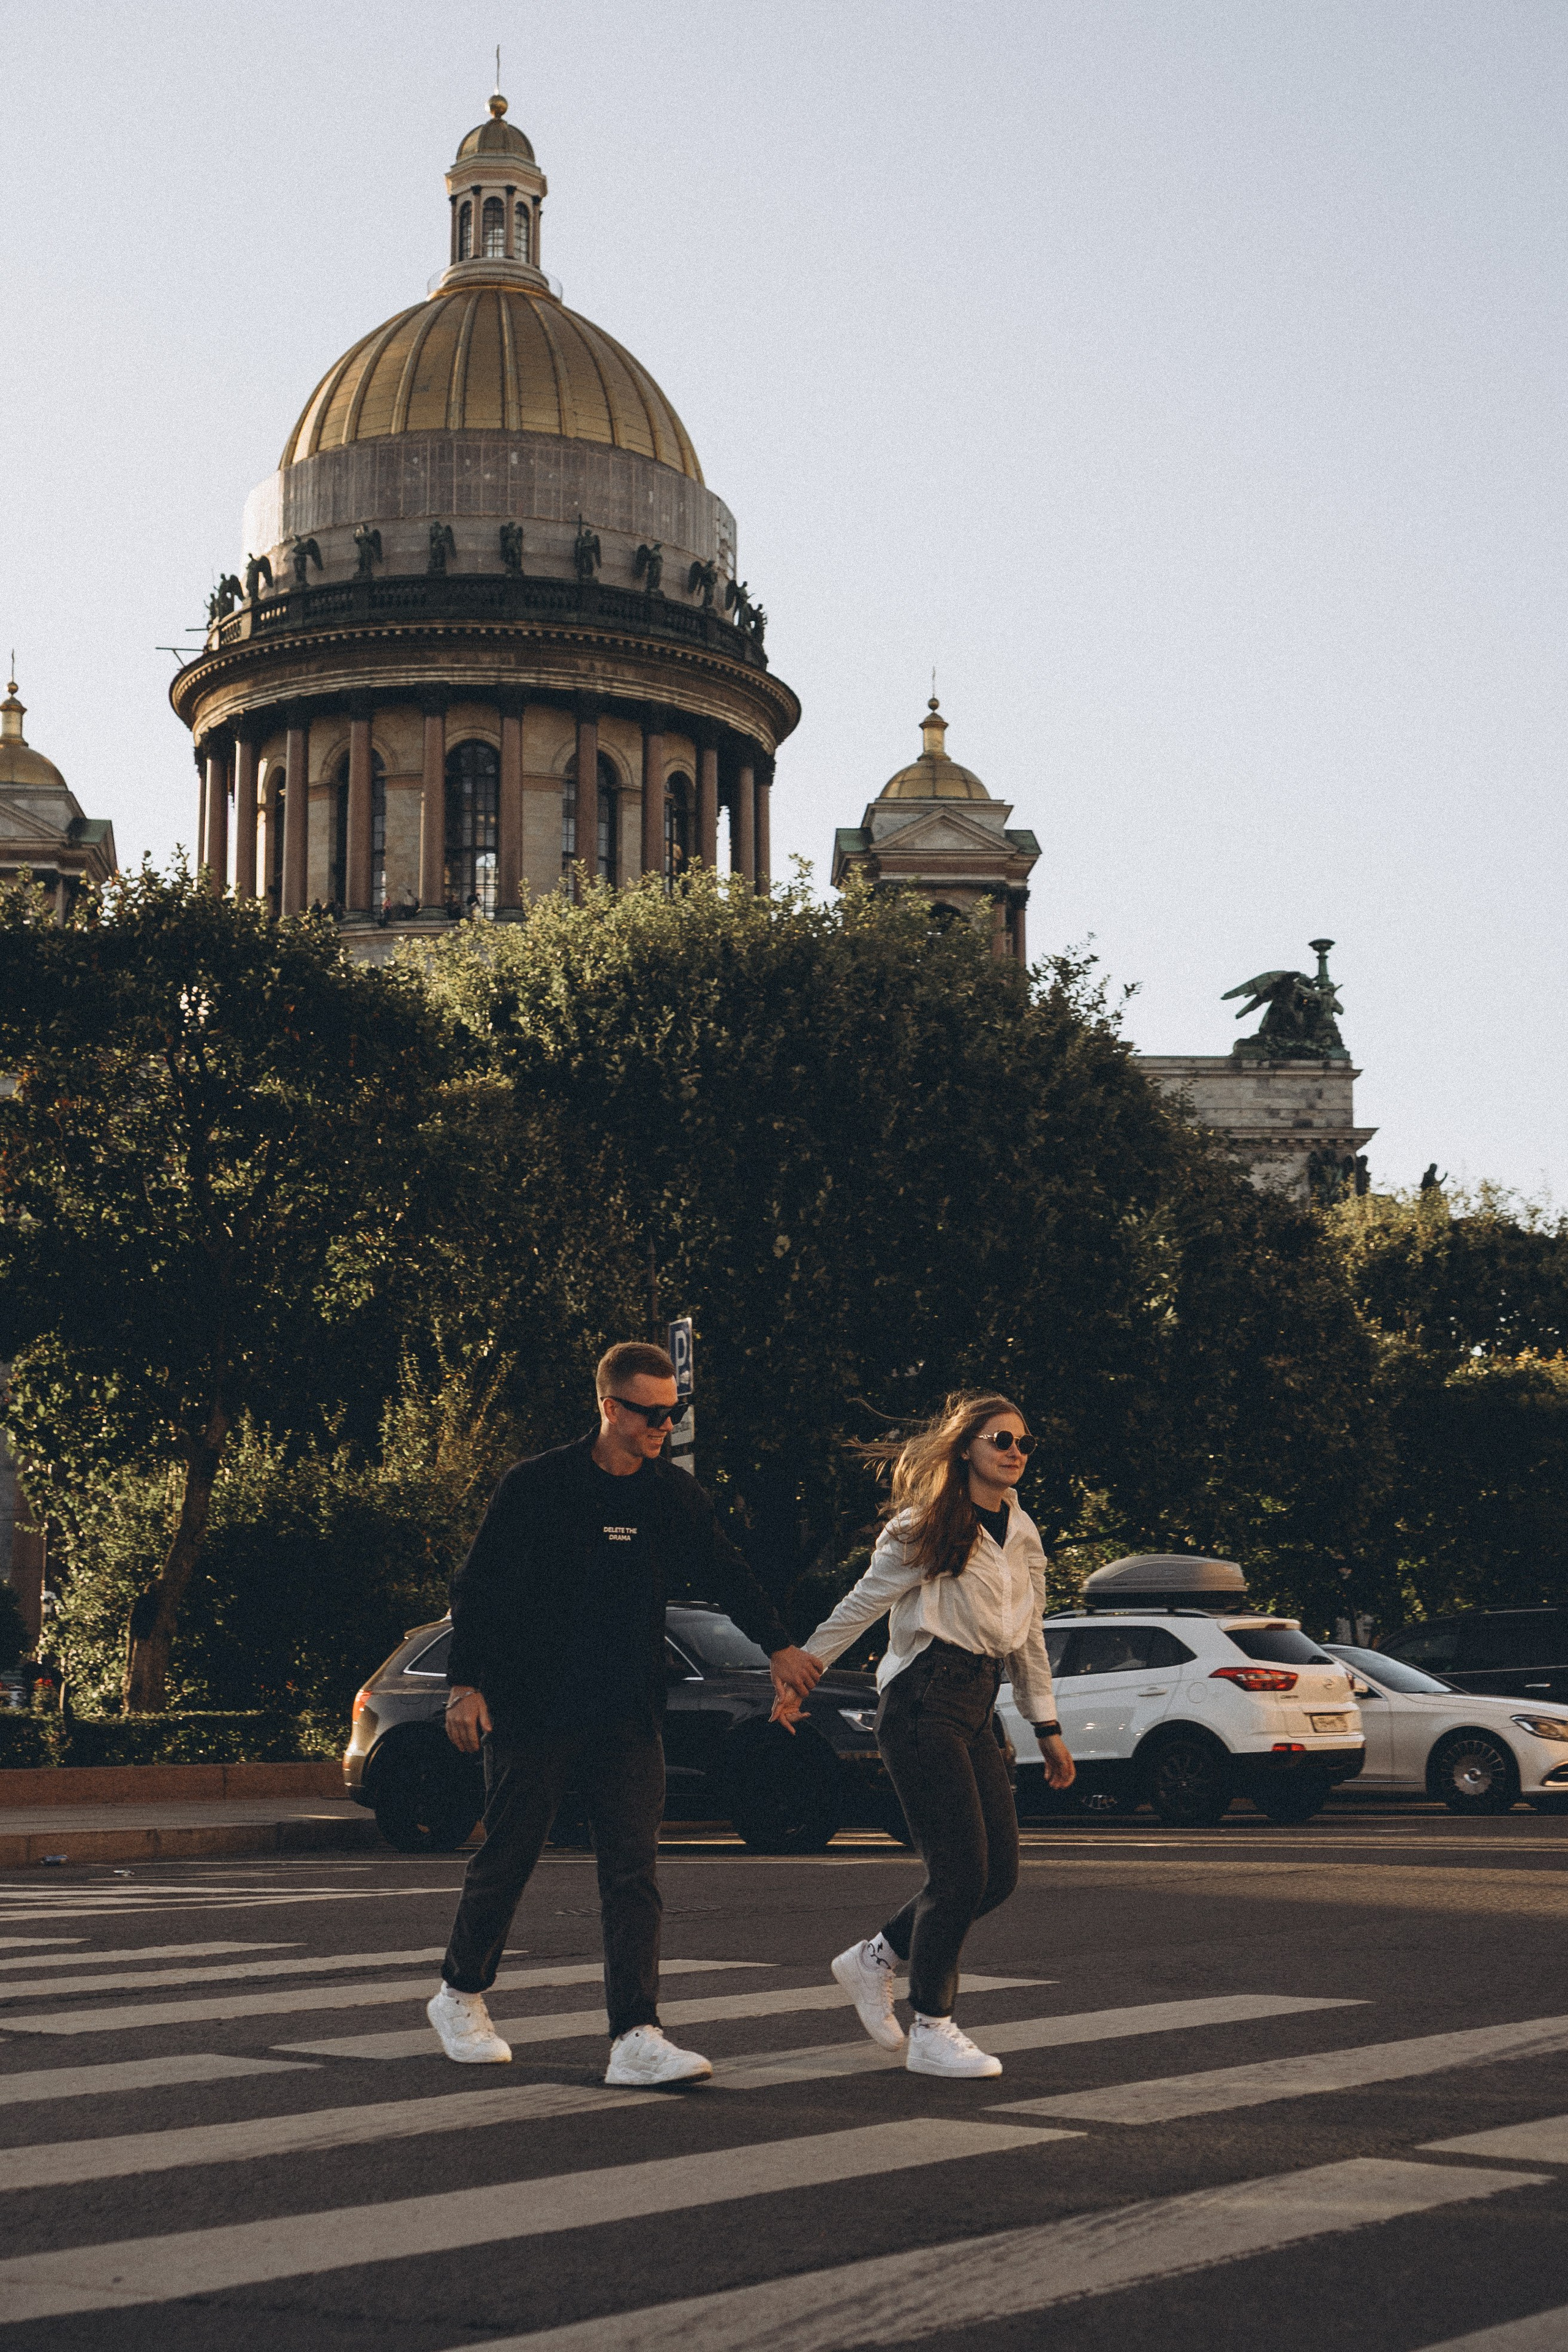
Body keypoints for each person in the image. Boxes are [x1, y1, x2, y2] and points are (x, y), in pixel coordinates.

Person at [427, 1341, 824, 2084]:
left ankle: (635, 2035)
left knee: (632, 1873)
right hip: (533, 1706)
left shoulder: (669, 1495)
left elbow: (725, 1571)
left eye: (672, 1414)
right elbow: (477, 1589)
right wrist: (465, 1685)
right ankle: (460, 1993)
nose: (663, 1428)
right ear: (610, 1407)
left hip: (627, 1710)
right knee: (510, 1855)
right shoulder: (537, 1486)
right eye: (650, 1413)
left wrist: (778, 1647)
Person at [788, 1391, 1074, 2079]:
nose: (1013, 1451)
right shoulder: (928, 1526)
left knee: (996, 1876)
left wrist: (1048, 1725)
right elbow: (863, 1602)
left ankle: (873, 1959)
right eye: (999, 1439)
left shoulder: (1023, 1532)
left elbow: (1029, 1638)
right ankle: (933, 2027)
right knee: (959, 1873)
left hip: (980, 1703)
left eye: (1023, 1442)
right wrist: (801, 1669)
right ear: (966, 1448)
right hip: (921, 1699)